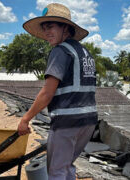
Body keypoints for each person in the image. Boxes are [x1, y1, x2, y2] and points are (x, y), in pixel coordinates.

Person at [18, 3, 98, 180]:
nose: (47, 32)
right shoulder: (84, 52)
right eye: (45, 28)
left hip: (68, 121)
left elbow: (47, 93)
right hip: (88, 121)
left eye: (51, 27)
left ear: (66, 28)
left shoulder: (60, 51)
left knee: (56, 171)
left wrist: (25, 119)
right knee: (67, 166)